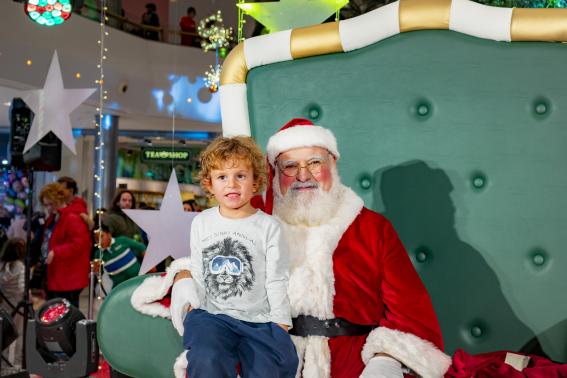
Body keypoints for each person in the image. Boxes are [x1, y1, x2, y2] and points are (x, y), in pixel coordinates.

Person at [168, 119, 451, 377]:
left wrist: (385, 361)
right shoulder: (252, 217)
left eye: (314, 163)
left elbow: (410, 310)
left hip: (355, 365)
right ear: (274, 174)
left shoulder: (372, 227)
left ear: (333, 164)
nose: (303, 175)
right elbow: (208, 257)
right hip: (269, 356)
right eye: (290, 166)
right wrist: (184, 281)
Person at [172, 136, 298, 377]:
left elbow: (277, 278)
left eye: (240, 175)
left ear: (255, 182)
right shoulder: (201, 222)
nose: (231, 184)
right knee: (207, 358)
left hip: (259, 320)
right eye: (222, 177)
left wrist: (281, 324)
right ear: (209, 185)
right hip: (212, 317)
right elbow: (198, 269)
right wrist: (191, 306)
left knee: (278, 364)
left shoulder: (269, 226)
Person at [38, 183, 91, 308]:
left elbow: (80, 244)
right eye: (46, 205)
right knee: (58, 312)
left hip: (68, 276)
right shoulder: (56, 216)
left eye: (51, 204)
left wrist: (55, 252)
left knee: (65, 315)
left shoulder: (71, 217)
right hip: (59, 274)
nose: (48, 208)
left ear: (59, 200)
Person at [0, 238, 25, 368]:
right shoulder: (20, 267)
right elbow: (22, 288)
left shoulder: (2, 265)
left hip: (4, 305)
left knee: (3, 334)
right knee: (18, 334)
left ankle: (4, 363)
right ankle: (16, 364)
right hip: (18, 306)